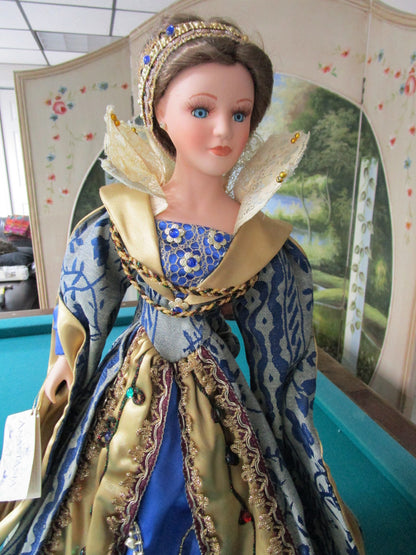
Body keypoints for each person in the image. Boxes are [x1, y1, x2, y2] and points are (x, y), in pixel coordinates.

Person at [0, 14, 364, 555]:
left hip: (217, 393)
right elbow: (83, 312)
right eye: (201, 110)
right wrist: (62, 369)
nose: (223, 131)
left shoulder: (262, 243)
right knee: (100, 486)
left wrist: (293, 433)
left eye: (240, 114)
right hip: (130, 382)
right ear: (159, 114)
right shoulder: (119, 221)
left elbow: (278, 360)